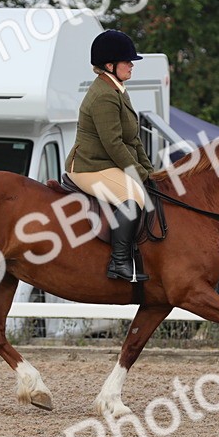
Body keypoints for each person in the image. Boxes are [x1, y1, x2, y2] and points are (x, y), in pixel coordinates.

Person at [65, 29, 155, 281]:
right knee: (133, 196)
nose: (131, 66)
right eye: (127, 61)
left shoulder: (117, 90)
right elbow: (114, 144)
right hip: (88, 167)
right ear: (110, 65)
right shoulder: (104, 96)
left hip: (105, 163)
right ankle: (119, 262)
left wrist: (150, 171)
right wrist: (139, 176)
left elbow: (132, 139)